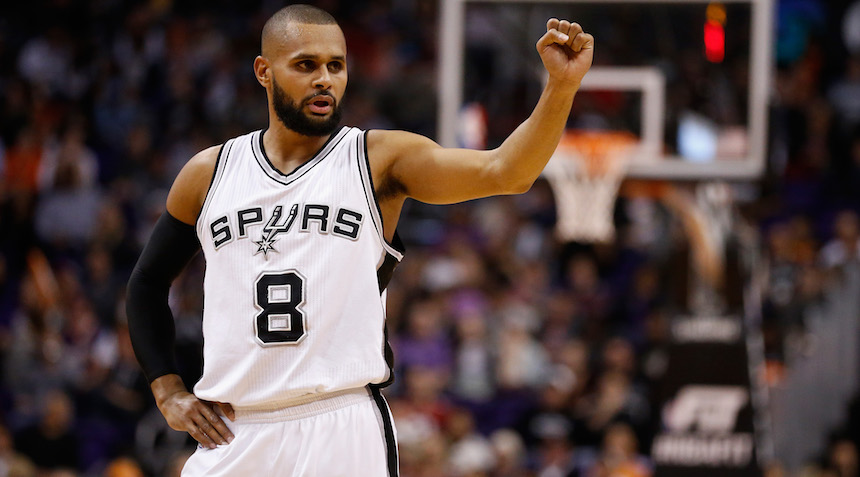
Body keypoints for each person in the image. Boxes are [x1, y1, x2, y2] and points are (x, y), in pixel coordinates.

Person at [126, 4, 594, 476]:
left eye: (336, 65)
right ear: (264, 72)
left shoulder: (377, 159)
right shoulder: (208, 174)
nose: (324, 79)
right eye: (306, 65)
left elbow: (506, 171)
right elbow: (146, 283)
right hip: (233, 429)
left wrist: (561, 86)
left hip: (340, 421)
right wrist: (167, 390)